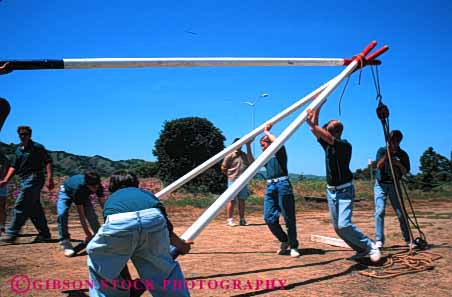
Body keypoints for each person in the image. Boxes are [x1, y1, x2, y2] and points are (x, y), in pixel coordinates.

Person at [87, 170, 193, 297]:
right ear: (136, 184)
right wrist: (181, 246)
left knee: (102, 268)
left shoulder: (112, 200)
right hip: (152, 217)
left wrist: (128, 284)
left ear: (112, 187)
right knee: (163, 270)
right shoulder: (146, 195)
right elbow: (167, 229)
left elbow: (117, 255)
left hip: (119, 220)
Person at [306, 105, 381, 262]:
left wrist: (312, 122)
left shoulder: (344, 145)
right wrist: (318, 107)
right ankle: (361, 249)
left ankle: (371, 246)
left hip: (344, 190)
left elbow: (316, 129)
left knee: (344, 224)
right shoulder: (327, 145)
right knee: (338, 228)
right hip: (331, 191)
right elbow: (315, 130)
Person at [0, 126, 54, 243]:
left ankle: (12, 234)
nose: (23, 136)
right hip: (24, 179)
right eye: (21, 134)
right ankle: (45, 235)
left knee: (21, 204)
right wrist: (5, 180)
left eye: (25, 134)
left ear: (30, 135)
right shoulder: (19, 150)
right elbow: (14, 166)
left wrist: (49, 178)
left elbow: (48, 161)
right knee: (34, 209)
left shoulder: (37, 147)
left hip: (35, 177)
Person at [259, 123, 300, 257]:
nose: (262, 147)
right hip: (270, 187)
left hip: (283, 184)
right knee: (269, 217)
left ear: (269, 143)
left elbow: (278, 142)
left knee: (288, 218)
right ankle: (284, 240)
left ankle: (294, 246)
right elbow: (251, 163)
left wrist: (267, 132)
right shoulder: (265, 158)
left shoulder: (280, 153)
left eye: (263, 144)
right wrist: (248, 146)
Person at [374, 130, 411, 248]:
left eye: (396, 141)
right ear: (388, 141)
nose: (394, 143)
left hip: (395, 184)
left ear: (400, 141)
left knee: (401, 213)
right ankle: (379, 240)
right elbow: (378, 166)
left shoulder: (403, 154)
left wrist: (398, 164)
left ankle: (408, 239)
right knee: (379, 211)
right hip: (380, 184)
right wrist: (387, 155)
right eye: (392, 140)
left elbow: (405, 172)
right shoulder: (382, 150)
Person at [57, 170, 105, 257]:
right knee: (62, 214)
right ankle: (65, 241)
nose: (95, 188)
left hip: (84, 194)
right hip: (66, 192)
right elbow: (81, 215)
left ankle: (99, 237)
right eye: (93, 187)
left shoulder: (98, 186)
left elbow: (104, 206)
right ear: (87, 185)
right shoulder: (79, 189)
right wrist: (88, 234)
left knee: (92, 216)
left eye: (97, 186)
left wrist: (109, 221)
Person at [221, 138, 254, 227]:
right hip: (232, 180)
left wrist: (248, 146)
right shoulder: (229, 155)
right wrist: (230, 175)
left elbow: (252, 163)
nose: (240, 146)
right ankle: (229, 219)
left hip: (243, 181)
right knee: (231, 200)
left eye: (241, 144)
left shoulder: (244, 155)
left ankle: (242, 219)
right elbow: (223, 168)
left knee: (242, 200)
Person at [0, 150, 13, 235]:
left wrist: (5, 179)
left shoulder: (4, 158)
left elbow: (10, 168)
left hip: (1, 183)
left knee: (1, 206)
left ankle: (1, 227)